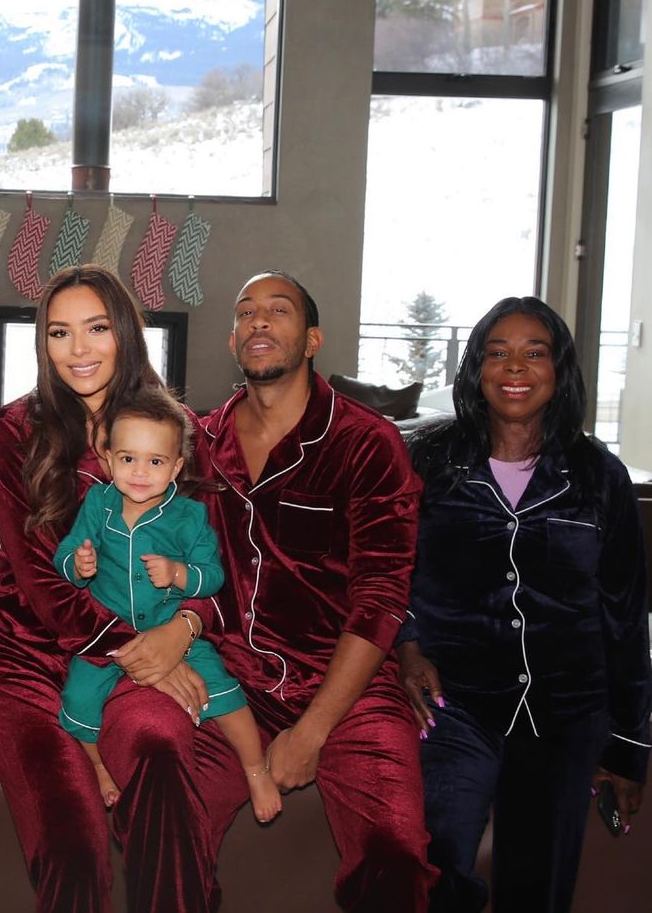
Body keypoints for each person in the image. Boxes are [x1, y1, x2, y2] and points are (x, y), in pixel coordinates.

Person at [0, 264, 237, 913]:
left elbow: (215, 559)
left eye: (95, 328)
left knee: (161, 762)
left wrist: (182, 630)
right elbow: (41, 583)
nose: (78, 349)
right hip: (26, 652)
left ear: (125, 333)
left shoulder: (177, 429)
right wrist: (142, 651)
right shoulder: (13, 430)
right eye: (59, 332)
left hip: (139, 648)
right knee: (74, 847)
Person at [395, 296, 651, 912]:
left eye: (535, 352)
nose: (515, 367)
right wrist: (405, 644)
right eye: (498, 352)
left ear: (558, 369)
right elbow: (384, 567)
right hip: (453, 704)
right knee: (434, 865)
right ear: (476, 369)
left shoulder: (600, 476)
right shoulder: (426, 461)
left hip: (565, 714)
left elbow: (624, 615)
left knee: (538, 889)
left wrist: (629, 748)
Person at [198, 270, 438, 912]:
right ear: (232, 340)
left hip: (345, 686)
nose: (258, 320)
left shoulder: (367, 443)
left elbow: (382, 598)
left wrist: (313, 730)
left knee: (396, 851)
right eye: (245, 311)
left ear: (311, 340)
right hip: (227, 680)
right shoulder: (199, 442)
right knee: (161, 818)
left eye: (278, 310)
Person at [54, 386, 282, 822]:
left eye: (155, 462)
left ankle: (256, 770)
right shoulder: (98, 504)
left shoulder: (189, 516)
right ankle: (99, 767)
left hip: (172, 631)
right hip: (109, 636)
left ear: (176, 467)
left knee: (224, 693)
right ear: (108, 459)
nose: (140, 472)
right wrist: (77, 565)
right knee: (76, 700)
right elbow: (65, 552)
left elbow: (213, 576)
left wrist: (179, 574)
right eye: (128, 458)